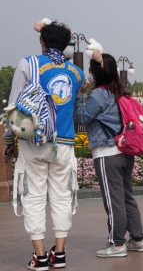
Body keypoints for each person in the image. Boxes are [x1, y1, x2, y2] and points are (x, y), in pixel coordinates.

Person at [3, 19, 83, 270]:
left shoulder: (28, 64)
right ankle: (59, 253)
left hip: (34, 142)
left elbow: (13, 108)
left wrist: (8, 140)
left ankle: (39, 256)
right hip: (64, 142)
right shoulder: (77, 73)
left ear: (42, 42)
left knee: (33, 196)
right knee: (62, 196)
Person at [73, 47, 143, 258]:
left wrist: (79, 96)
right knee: (126, 197)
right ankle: (138, 239)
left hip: (107, 153)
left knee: (113, 200)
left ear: (97, 72)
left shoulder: (98, 94)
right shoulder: (121, 93)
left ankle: (117, 244)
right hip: (125, 151)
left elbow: (81, 117)